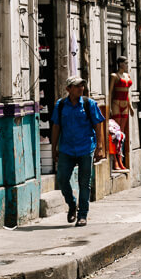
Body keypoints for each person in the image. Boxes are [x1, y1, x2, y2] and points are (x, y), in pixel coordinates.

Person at [50, 76, 105, 227]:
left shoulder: (89, 104)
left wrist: (99, 148)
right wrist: (54, 148)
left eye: (82, 86)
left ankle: (82, 215)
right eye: (77, 86)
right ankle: (72, 204)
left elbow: (98, 125)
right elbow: (56, 127)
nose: (81, 88)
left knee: (84, 182)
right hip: (66, 148)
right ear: (68, 89)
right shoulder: (60, 105)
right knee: (62, 179)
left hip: (86, 148)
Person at [107, 57, 133, 171]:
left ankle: (120, 160)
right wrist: (109, 107)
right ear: (120, 64)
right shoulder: (114, 76)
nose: (127, 64)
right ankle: (115, 162)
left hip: (125, 105)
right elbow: (110, 92)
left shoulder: (127, 76)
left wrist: (130, 105)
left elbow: (128, 92)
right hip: (116, 104)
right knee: (116, 135)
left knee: (121, 135)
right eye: (125, 63)